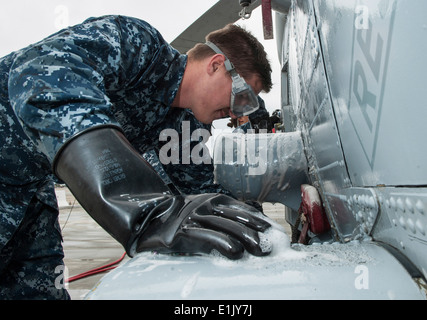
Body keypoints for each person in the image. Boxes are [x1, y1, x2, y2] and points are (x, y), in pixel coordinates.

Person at [0, 15, 273, 299]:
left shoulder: (182, 126)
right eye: (241, 97)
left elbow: (203, 191)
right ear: (216, 65)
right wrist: (141, 210)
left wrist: (262, 229)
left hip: (30, 191)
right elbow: (42, 73)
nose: (235, 113)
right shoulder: (139, 46)